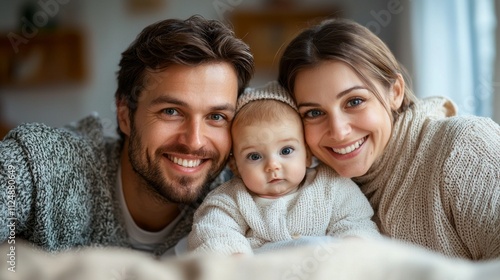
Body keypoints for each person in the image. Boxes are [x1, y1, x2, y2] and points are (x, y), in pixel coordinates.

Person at [0, 15, 254, 256]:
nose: (194, 141)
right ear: (124, 114)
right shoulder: (43, 166)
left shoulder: (247, 187)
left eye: (217, 117)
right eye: (171, 111)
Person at [278, 17, 500, 260]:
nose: (339, 131)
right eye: (314, 113)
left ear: (395, 92)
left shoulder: (465, 146)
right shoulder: (311, 190)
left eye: (354, 102)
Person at [187, 81, 380, 255]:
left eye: (286, 150)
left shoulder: (331, 185)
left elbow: (356, 223)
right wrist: (236, 260)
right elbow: (212, 232)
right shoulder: (231, 199)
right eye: (254, 156)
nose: (272, 165)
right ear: (235, 167)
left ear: (306, 154)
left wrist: (352, 247)